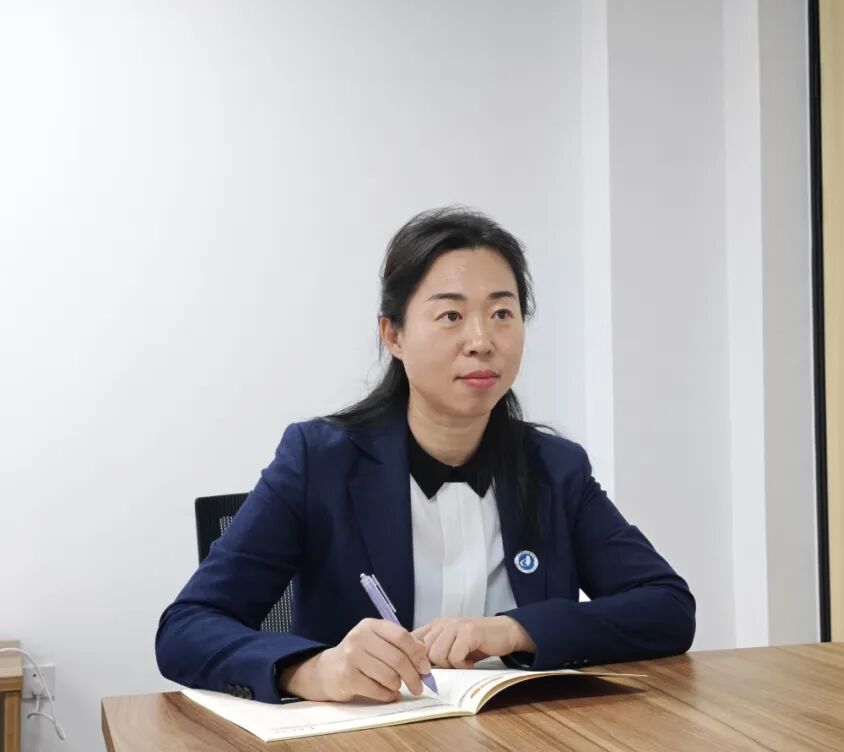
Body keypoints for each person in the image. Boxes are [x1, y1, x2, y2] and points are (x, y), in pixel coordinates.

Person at [156, 207, 696, 704]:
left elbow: (666, 607)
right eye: (451, 316)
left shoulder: (555, 468)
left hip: (530, 742)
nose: (481, 340)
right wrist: (310, 668)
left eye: (502, 313)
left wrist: (515, 629)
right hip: (364, 748)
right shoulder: (318, 461)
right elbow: (186, 627)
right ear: (393, 334)